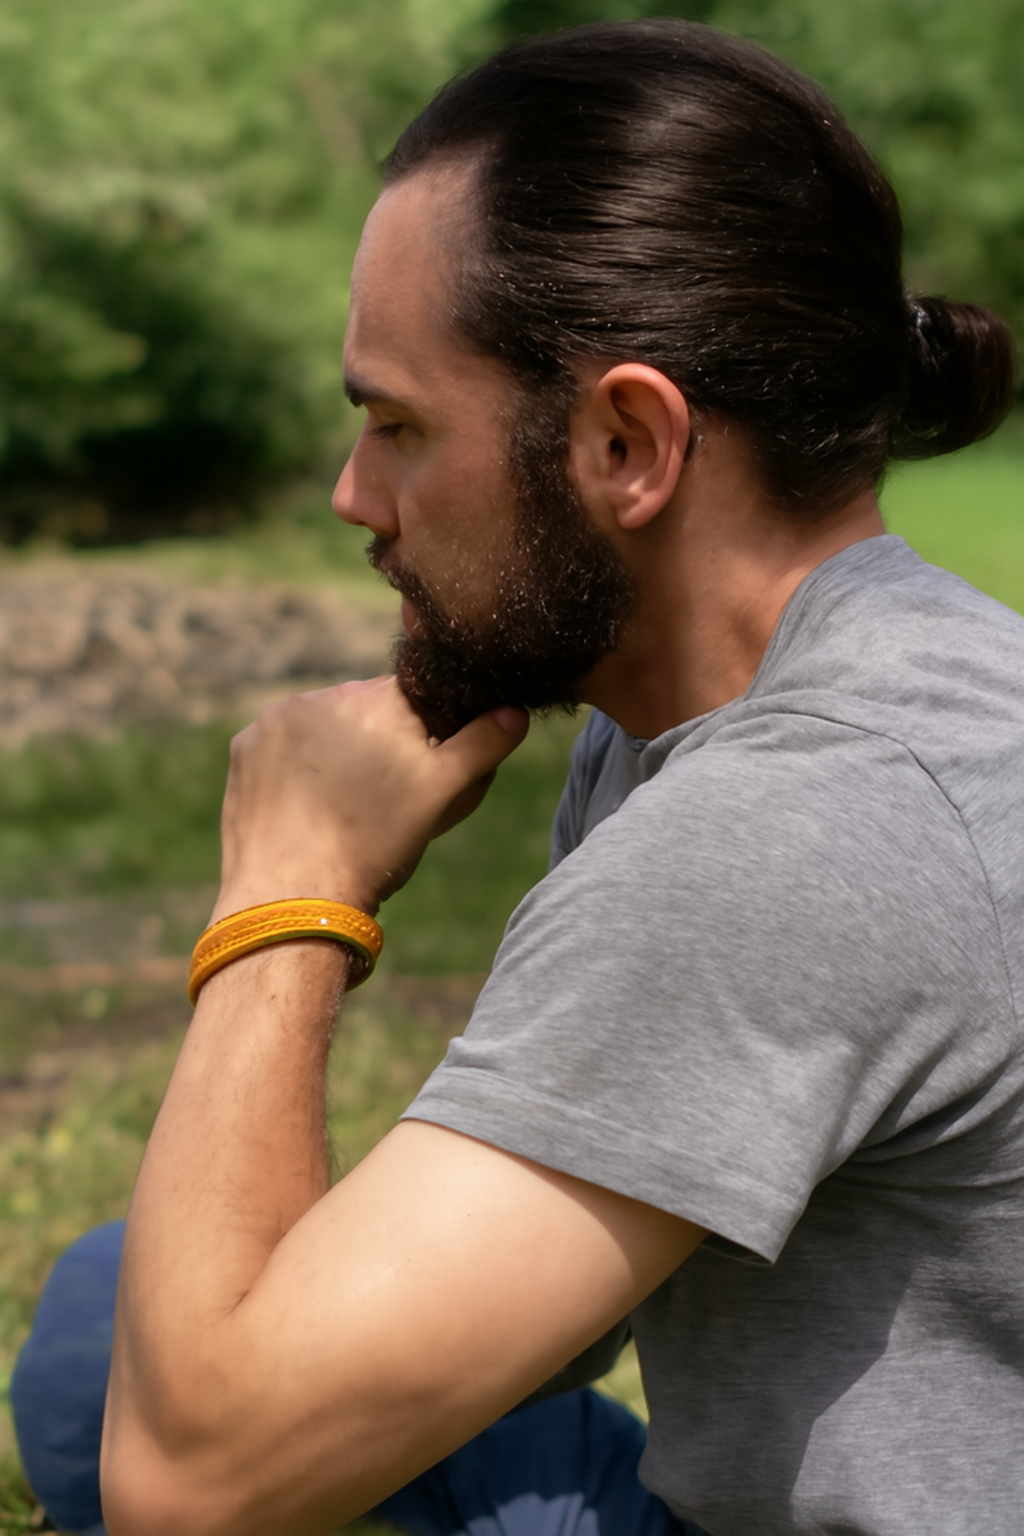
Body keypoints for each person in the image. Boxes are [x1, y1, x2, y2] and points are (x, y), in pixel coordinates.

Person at [11, 18, 1022, 1536]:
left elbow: (195, 1487)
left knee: (162, 1404)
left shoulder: (790, 826)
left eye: (399, 427)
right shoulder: (743, 696)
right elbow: (554, 1321)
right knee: (110, 1324)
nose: (356, 498)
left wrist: (288, 895)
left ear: (629, 442)